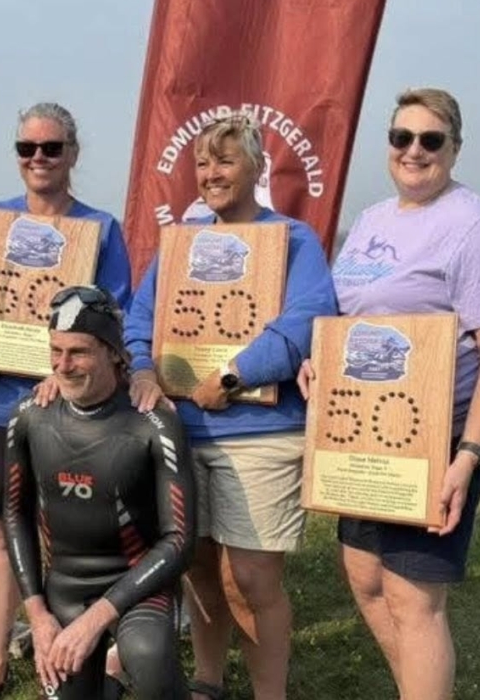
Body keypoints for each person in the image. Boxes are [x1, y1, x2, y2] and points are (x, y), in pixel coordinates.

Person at [298, 87, 480, 700]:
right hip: (365, 429)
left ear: (454, 147)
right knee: (365, 576)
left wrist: (468, 455)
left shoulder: (477, 227)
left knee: (412, 596)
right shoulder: (372, 220)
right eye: (402, 137)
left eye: (431, 139)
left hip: (442, 433)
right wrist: (320, 363)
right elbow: (346, 319)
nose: (414, 151)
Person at [125, 114, 338, 700]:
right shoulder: (182, 245)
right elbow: (141, 322)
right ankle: (208, 681)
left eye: (225, 160)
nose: (211, 174)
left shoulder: (293, 239)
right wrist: (143, 369)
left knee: (251, 577)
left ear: (257, 168)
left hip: (261, 432)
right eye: (201, 163)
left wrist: (232, 374)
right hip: (184, 433)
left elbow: (305, 323)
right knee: (196, 567)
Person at [0, 102, 131, 700]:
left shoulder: (100, 229)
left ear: (73, 153)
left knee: (83, 534)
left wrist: (67, 370)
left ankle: (92, 650)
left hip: (69, 409)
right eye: (27, 149)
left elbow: (114, 311)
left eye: (51, 148)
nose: (38, 159)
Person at [3, 286, 195, 699]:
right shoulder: (29, 416)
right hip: (64, 588)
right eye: (55, 350)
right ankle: (108, 680)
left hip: (138, 582)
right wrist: (37, 615)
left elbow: (179, 540)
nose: (63, 365)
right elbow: (15, 515)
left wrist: (95, 622)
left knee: (148, 655)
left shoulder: (151, 422)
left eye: (79, 352)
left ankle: (123, 663)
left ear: (113, 352)